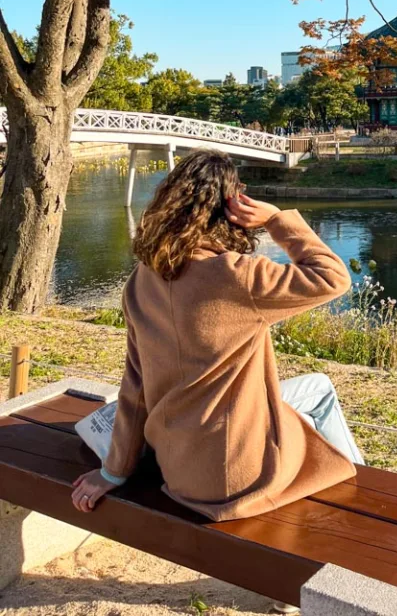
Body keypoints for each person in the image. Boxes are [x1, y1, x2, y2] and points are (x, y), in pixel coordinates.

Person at [71, 150, 362, 611]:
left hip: (181, 466)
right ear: (232, 206)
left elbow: (134, 388)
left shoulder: (142, 279)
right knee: (320, 391)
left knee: (302, 397)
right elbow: (332, 278)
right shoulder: (236, 275)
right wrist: (277, 221)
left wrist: (113, 471)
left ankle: (342, 492)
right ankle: (354, 502)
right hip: (237, 481)